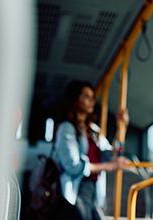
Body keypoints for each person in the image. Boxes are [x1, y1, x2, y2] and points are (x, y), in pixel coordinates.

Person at [55, 80, 130, 220]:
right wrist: (110, 166)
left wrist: (122, 127)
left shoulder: (93, 131)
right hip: (75, 190)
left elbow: (111, 155)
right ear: (75, 101)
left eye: (93, 97)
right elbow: (73, 165)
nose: (92, 101)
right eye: (86, 96)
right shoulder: (66, 128)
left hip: (94, 190)